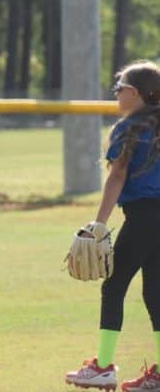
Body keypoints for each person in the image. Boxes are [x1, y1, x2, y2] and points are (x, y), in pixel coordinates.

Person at [65, 60, 160, 392]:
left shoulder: (130, 127)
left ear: (134, 93)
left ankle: (104, 367)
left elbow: (118, 175)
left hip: (145, 217)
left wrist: (99, 223)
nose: (117, 95)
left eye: (119, 89)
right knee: (155, 294)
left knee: (114, 286)